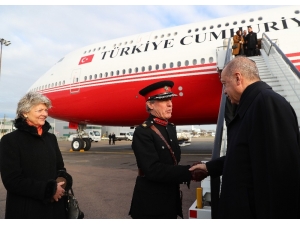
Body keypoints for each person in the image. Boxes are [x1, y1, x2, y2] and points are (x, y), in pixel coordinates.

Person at [189, 56, 300, 219]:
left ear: (238, 78)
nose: (225, 91)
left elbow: (282, 178)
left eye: (224, 84)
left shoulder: (267, 104)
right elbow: (244, 156)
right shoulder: (253, 106)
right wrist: (209, 167)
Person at [129, 80, 208, 219]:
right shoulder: (143, 132)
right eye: (164, 100)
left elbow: (173, 162)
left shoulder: (170, 128)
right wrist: (188, 172)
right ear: (150, 104)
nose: (170, 104)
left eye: (170, 99)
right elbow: (152, 170)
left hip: (170, 199)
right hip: (151, 204)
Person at [0, 92, 69, 219]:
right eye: (39, 110)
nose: (45, 114)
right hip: (27, 210)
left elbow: (60, 168)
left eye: (46, 110)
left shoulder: (51, 138)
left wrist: (61, 184)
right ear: (25, 113)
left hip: (56, 209)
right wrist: (49, 190)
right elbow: (12, 180)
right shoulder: (10, 140)